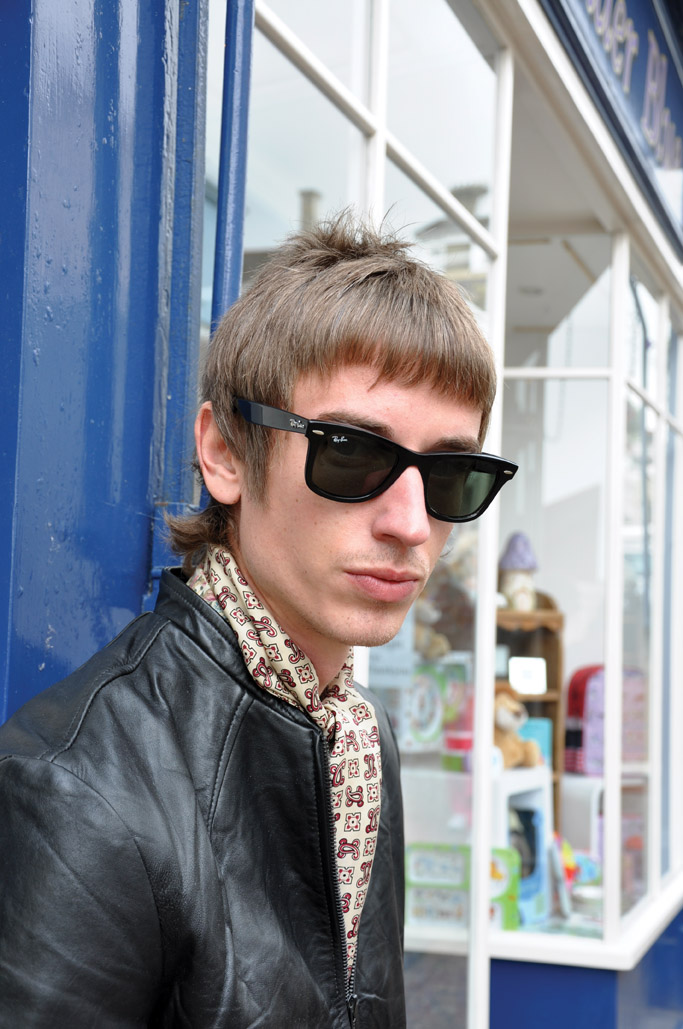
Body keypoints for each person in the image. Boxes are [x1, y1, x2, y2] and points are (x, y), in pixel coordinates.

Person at [0, 214, 515, 1027]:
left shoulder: (357, 734)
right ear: (226, 454)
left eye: (450, 473)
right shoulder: (80, 791)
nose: (411, 523)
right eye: (350, 450)